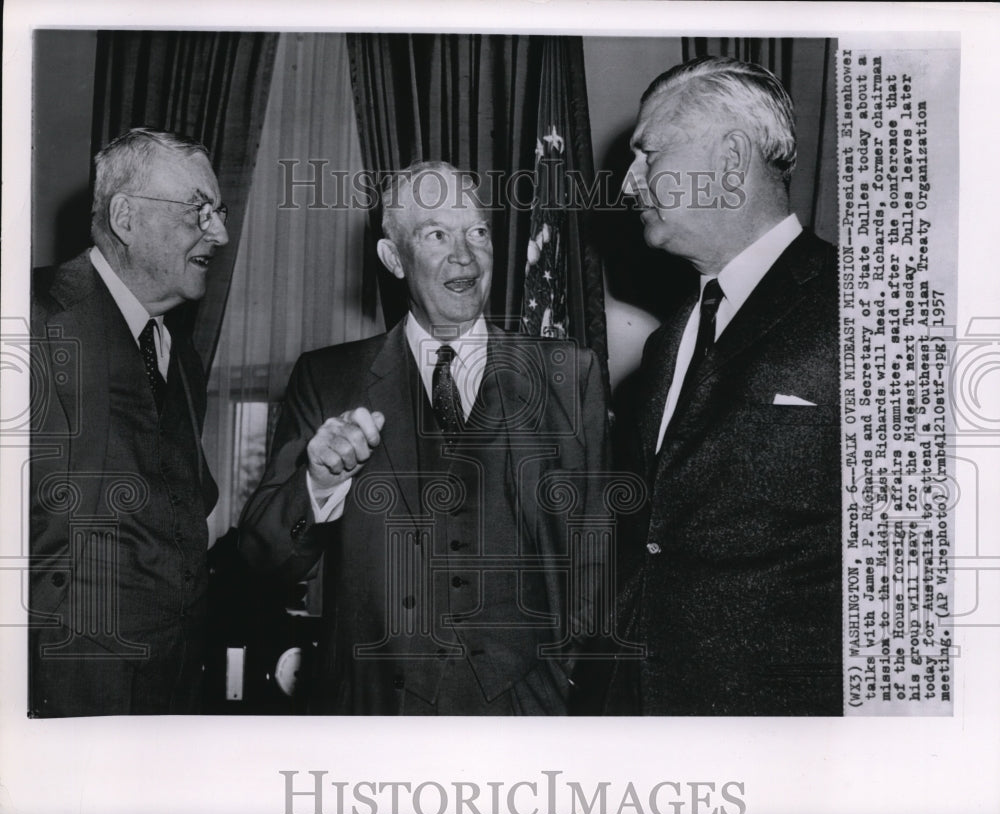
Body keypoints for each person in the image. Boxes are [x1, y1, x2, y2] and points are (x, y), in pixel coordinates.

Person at [239, 161, 608, 715]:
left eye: (477, 231)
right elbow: (261, 558)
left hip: (528, 715)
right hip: (372, 716)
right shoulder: (329, 378)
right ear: (393, 258)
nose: (465, 255)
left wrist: (567, 683)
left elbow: (596, 559)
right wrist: (317, 484)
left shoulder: (567, 376)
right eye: (437, 234)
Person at [610, 56, 842, 715]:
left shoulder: (861, 310)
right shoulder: (666, 342)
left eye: (646, 154)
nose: (629, 185)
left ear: (732, 158)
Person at [29, 127, 227, 716]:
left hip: (174, 687)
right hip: (62, 690)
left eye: (219, 212)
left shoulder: (179, 353)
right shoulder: (28, 317)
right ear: (125, 217)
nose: (220, 233)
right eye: (200, 211)